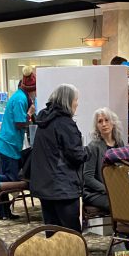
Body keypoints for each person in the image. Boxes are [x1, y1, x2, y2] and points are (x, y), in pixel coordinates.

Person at [29, 83, 86, 231]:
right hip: (63, 187)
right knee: (71, 234)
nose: (77, 103)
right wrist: (89, 152)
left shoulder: (44, 120)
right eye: (75, 99)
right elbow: (76, 155)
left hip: (45, 186)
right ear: (68, 100)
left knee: (52, 232)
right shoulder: (65, 123)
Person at [0, 66, 35, 219]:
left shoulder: (23, 97)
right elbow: (19, 123)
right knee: (11, 178)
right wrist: (30, 114)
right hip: (8, 144)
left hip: (11, 144)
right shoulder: (20, 99)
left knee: (10, 177)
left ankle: (4, 212)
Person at [83, 108, 124, 213]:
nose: (104, 124)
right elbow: (88, 177)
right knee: (120, 204)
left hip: (115, 190)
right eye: (100, 121)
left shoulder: (120, 143)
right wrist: (108, 189)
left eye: (107, 120)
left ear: (113, 122)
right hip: (94, 193)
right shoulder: (93, 146)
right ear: (97, 126)